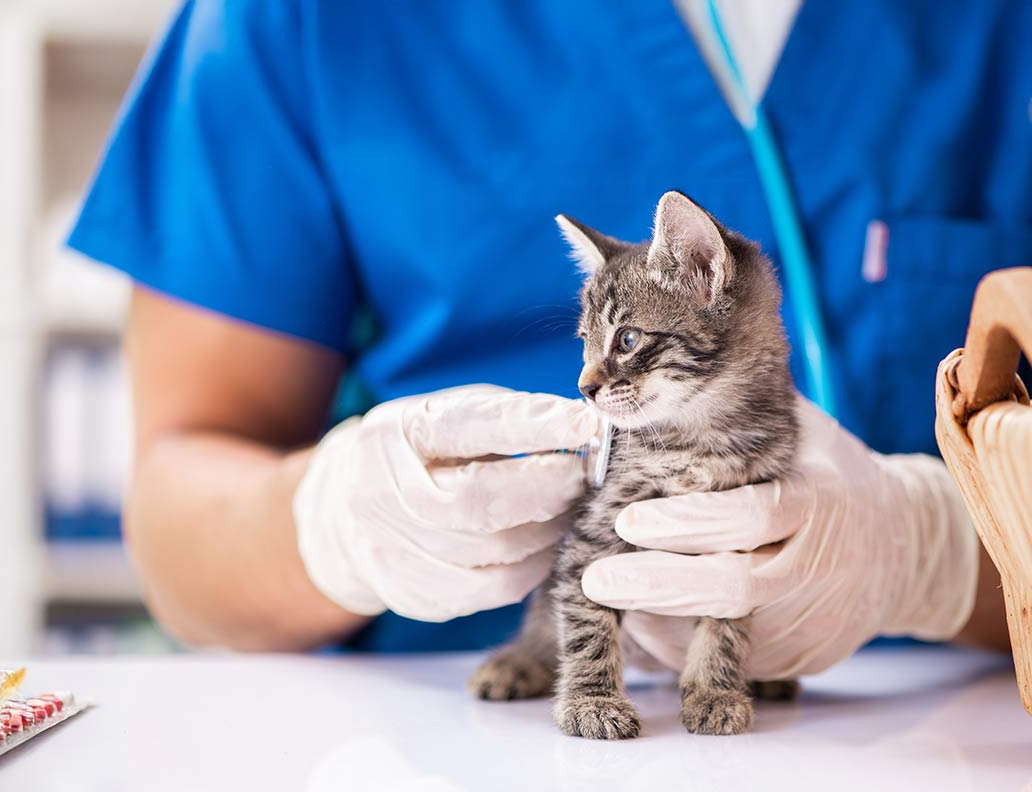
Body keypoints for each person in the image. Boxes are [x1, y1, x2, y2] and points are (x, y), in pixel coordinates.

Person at [67, 0, 1029, 671]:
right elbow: (179, 509)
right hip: (452, 734)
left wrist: (936, 552)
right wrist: (328, 526)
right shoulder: (302, 20)